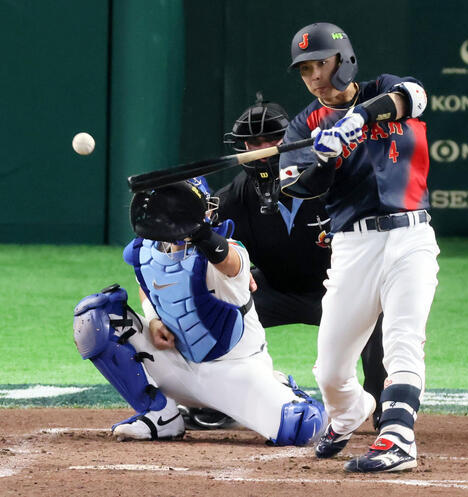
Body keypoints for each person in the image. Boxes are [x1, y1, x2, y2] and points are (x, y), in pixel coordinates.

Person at [280, 22, 440, 473]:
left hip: (411, 236)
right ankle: (350, 410)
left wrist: (359, 119)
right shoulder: (306, 125)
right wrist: (325, 161)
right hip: (353, 246)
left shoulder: (383, 88)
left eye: (320, 63)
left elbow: (414, 96)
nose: (314, 76)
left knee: (403, 340)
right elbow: (297, 187)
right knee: (331, 371)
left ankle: (398, 438)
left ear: (344, 60)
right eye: (305, 69)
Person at [73, 177, 326, 446]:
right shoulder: (145, 252)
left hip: (236, 374)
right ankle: (161, 415)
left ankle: (280, 388)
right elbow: (147, 284)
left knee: (301, 425)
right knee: (94, 316)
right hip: (176, 367)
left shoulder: (229, 250)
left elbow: (230, 262)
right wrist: (154, 319)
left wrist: (199, 233)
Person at [215, 94, 386, 429]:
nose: (262, 150)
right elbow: (201, 244)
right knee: (215, 313)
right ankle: (220, 401)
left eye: (272, 140)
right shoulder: (235, 196)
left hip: (338, 291)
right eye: (253, 143)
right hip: (275, 290)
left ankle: (383, 405)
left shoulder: (331, 180)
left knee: (378, 309)